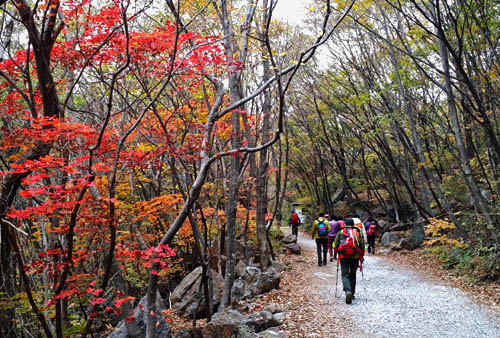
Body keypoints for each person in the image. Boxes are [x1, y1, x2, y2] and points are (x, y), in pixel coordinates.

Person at [333, 218, 365, 304]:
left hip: (343, 257)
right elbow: (362, 245)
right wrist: (361, 256)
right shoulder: (357, 232)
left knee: (345, 274)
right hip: (355, 257)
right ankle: (353, 294)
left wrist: (337, 253)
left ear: (345, 224)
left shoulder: (341, 232)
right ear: (353, 224)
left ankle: (348, 291)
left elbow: (335, 245)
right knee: (353, 274)